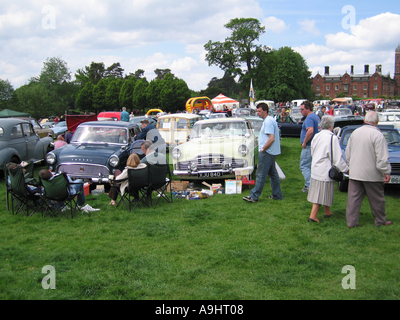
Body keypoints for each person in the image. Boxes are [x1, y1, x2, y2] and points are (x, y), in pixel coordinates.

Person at [345, 111, 392, 228]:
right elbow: (382, 158)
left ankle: (351, 222)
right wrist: (386, 171)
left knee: (353, 199)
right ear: (377, 121)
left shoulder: (355, 133)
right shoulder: (377, 135)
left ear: (365, 120)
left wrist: (350, 166)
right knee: (377, 199)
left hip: (355, 172)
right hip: (372, 174)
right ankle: (380, 221)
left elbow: (348, 153)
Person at [307, 115, 348, 222]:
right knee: (320, 194)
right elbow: (337, 157)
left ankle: (327, 211)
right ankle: (313, 216)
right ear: (331, 125)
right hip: (325, 170)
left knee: (324, 192)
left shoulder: (317, 136)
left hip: (316, 167)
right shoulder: (332, 138)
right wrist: (345, 169)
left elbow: (312, 151)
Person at [243, 102, 283, 203]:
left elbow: (271, 138)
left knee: (260, 174)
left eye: (259, 111)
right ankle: (277, 195)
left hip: (267, 152)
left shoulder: (268, 121)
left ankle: (254, 196)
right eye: (257, 111)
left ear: (265, 111)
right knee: (273, 174)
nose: (258, 113)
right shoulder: (269, 120)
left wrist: (263, 149)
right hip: (270, 152)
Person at [300, 101, 321, 193]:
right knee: (312, 166)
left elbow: (310, 131)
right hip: (316, 145)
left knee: (304, 166)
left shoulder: (309, 118)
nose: (301, 111)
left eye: (302, 109)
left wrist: (304, 142)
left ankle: (309, 185)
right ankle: (313, 184)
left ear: (308, 109)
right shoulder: (316, 117)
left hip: (309, 146)